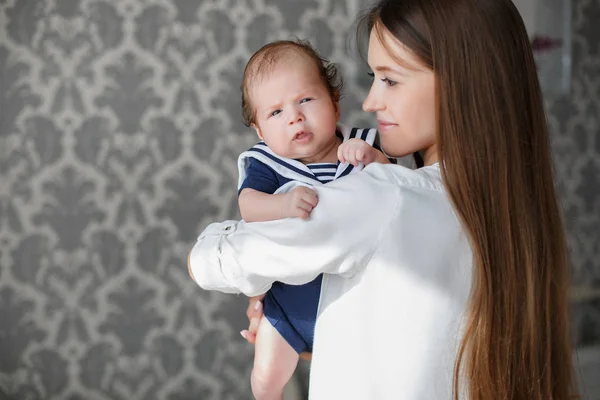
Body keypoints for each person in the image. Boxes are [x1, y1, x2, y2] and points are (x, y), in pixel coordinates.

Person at [188, 0, 579, 399]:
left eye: (389, 80)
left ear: (463, 83)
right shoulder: (512, 211)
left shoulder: (380, 196)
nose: (370, 101)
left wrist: (248, 257)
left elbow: (209, 263)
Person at [236, 39, 390, 400]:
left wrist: (372, 160)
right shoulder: (267, 163)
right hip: (287, 309)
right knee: (266, 379)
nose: (294, 117)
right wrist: (284, 205)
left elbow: (397, 190)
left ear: (335, 104)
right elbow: (248, 206)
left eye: (305, 99)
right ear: (260, 131)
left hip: (357, 308)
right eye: (275, 113)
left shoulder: (365, 143)